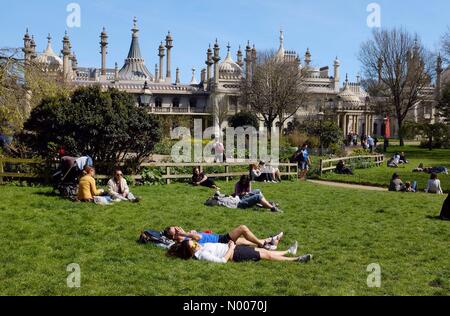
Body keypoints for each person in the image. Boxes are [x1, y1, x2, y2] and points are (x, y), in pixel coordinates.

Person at [168, 239, 313, 264]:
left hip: (234, 248)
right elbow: (222, 261)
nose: (196, 243)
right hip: (236, 254)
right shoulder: (203, 254)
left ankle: (289, 251)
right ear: (192, 250)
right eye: (194, 244)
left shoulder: (201, 247)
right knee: (267, 255)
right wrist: (231, 248)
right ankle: (297, 259)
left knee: (262, 249)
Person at [163, 225, 284, 250]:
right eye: (176, 230)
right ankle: (264, 245)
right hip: (221, 241)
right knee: (242, 228)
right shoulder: (186, 242)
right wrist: (184, 234)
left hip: (219, 238)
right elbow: (197, 237)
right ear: (174, 236)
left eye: (177, 227)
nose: (179, 229)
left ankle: (270, 240)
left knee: (246, 241)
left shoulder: (185, 236)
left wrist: (185, 232)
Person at [205, 190, 282, 213]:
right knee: (258, 197)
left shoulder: (221, 197)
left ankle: (268, 204)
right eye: (214, 196)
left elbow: (223, 194)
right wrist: (212, 198)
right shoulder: (217, 202)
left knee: (257, 190)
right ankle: (272, 208)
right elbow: (208, 202)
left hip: (239, 199)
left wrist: (218, 195)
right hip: (239, 204)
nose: (215, 195)